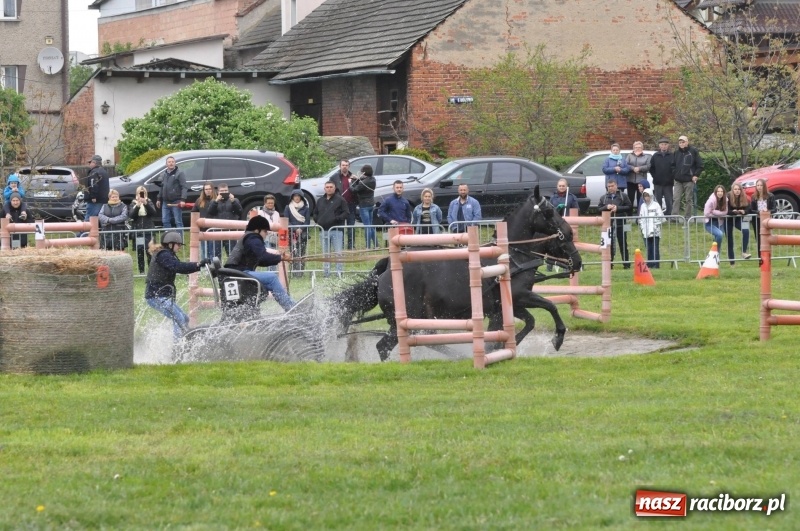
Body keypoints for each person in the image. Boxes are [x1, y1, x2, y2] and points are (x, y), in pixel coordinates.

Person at [224, 215, 296, 311]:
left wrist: (280, 258)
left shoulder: (248, 238)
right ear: (257, 230)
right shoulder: (253, 238)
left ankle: (290, 305)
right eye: (265, 231)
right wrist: (280, 257)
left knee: (269, 281)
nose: (266, 234)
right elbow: (263, 256)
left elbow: (260, 260)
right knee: (272, 278)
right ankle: (291, 308)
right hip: (239, 273)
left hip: (237, 273)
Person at [145, 231, 208, 339]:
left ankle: (187, 340)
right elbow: (177, 267)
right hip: (156, 296)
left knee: (185, 318)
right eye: (178, 244)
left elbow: (179, 267)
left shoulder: (166, 254)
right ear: (170, 244)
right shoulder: (163, 255)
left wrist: (196, 266)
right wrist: (197, 265)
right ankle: (178, 346)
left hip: (160, 296)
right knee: (179, 318)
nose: (179, 247)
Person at [313, 181, 349, 278]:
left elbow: (346, 213)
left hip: (336, 230)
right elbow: (315, 212)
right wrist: (318, 220)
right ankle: (326, 273)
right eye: (327, 187)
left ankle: (339, 273)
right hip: (323, 230)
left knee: (338, 253)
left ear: (334, 188)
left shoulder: (341, 200)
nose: (329, 189)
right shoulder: (320, 200)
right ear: (324, 189)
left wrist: (336, 219)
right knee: (325, 253)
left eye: (331, 187)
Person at [598, 179, 633, 268]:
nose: (610, 188)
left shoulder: (623, 196)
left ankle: (626, 264)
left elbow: (629, 206)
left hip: (621, 223)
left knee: (623, 244)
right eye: (609, 186)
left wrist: (618, 208)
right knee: (609, 244)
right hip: (608, 225)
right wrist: (606, 207)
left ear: (616, 186)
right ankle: (609, 264)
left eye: (612, 186)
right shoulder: (604, 197)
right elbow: (599, 209)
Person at [207, 183, 243, 257]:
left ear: (228, 191)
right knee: (216, 255)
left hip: (231, 231)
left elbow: (240, 211)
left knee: (232, 255)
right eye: (222, 191)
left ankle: (232, 268)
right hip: (217, 232)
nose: (224, 192)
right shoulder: (213, 201)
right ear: (218, 192)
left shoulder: (235, 200)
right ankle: (216, 268)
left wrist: (233, 202)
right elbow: (210, 212)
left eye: (226, 190)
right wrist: (216, 202)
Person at [330, 159, 358, 250]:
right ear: (340, 166)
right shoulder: (334, 177)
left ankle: (351, 245)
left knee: (351, 226)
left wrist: (357, 180)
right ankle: (340, 246)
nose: (344, 166)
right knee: (340, 227)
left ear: (349, 166)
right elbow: (330, 189)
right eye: (343, 165)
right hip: (340, 206)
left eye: (346, 165)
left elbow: (358, 189)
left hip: (351, 205)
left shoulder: (353, 177)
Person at [673, 135, 703, 221]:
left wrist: (696, 175)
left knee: (688, 199)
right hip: (678, 180)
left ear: (687, 142)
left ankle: (687, 217)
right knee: (676, 199)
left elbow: (700, 165)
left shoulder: (693, 151)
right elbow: (672, 165)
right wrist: (675, 174)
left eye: (683, 142)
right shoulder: (676, 152)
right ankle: (675, 218)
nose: (681, 144)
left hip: (689, 180)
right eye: (680, 142)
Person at [128, 185, 157, 274]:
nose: (141, 195)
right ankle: (141, 271)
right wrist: (137, 206)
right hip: (139, 231)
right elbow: (132, 215)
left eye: (143, 193)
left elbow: (153, 213)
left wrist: (146, 203)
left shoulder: (149, 202)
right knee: (140, 252)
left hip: (148, 231)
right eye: (139, 193)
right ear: (137, 194)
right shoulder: (133, 203)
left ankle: (151, 270)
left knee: (150, 251)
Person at [350, 164, 377, 248]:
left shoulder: (364, 183)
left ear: (364, 172)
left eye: (362, 172)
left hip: (364, 205)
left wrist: (350, 182)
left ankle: (368, 246)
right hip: (371, 204)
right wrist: (357, 179)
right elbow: (362, 181)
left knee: (367, 226)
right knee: (370, 225)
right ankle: (376, 244)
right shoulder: (372, 179)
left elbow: (354, 190)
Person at [155, 156, 187, 229]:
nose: (171, 163)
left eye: (172, 162)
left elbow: (184, 187)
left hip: (176, 201)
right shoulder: (164, 174)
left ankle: (180, 239)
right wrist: (158, 198)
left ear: (175, 163)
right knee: (165, 221)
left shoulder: (180, 173)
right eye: (169, 162)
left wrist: (183, 199)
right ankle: (168, 238)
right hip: (165, 202)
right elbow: (161, 187)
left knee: (178, 221)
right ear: (166, 164)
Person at [284, 190, 309, 277]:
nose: (297, 197)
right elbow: (286, 221)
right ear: (292, 197)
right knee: (293, 253)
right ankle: (294, 272)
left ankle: (300, 273)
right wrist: (295, 229)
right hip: (292, 234)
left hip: (302, 234)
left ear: (301, 197)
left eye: (298, 196)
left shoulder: (305, 208)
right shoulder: (288, 207)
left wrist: (301, 229)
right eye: (295, 196)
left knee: (301, 253)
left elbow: (307, 221)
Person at [638, 188, 665, 268]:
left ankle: (656, 265)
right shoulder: (643, 206)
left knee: (655, 248)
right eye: (645, 196)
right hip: (646, 231)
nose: (646, 198)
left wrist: (655, 225)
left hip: (655, 231)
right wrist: (643, 228)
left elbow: (661, 217)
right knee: (648, 248)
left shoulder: (656, 205)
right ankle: (650, 264)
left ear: (651, 196)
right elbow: (641, 218)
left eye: (648, 196)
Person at [749, 178, 776, 254]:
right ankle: (760, 258)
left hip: (767, 221)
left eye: (761, 185)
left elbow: (774, 209)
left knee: (767, 238)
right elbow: (751, 209)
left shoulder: (770, 196)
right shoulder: (753, 196)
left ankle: (768, 256)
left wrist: (767, 211)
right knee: (758, 239)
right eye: (758, 185)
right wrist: (759, 212)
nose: (759, 187)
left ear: (764, 186)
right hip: (757, 220)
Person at [726, 183, 751, 266]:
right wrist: (734, 212)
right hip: (728, 220)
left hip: (738, 220)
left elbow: (748, 208)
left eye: (738, 189)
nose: (737, 191)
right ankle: (732, 263)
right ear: (732, 190)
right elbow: (726, 210)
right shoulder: (728, 197)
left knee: (746, 230)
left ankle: (744, 252)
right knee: (730, 241)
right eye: (735, 189)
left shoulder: (743, 197)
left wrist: (744, 211)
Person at [191, 181, 218, 260]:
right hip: (203, 230)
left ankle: (213, 268)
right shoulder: (199, 201)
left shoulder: (217, 200)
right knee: (204, 252)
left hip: (213, 230)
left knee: (213, 252)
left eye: (209, 189)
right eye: (206, 189)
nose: (208, 190)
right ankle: (205, 268)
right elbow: (193, 213)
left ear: (212, 190)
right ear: (203, 190)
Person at [650, 137, 675, 216]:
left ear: (668, 146)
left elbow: (674, 168)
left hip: (668, 182)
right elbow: (651, 168)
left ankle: (668, 215)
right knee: (658, 200)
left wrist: (671, 177)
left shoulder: (672, 155)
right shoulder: (655, 156)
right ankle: (659, 215)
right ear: (659, 146)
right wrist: (655, 176)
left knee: (669, 200)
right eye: (662, 144)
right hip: (658, 182)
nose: (663, 146)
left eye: (665, 144)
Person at [625, 141, 651, 208]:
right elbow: (625, 165)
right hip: (630, 181)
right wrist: (633, 168)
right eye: (636, 147)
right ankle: (629, 216)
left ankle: (640, 215)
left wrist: (639, 168)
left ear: (642, 148)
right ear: (633, 148)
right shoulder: (629, 156)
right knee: (630, 199)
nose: (637, 149)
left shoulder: (646, 157)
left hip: (641, 181)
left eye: (639, 147)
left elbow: (648, 166)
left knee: (641, 199)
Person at [85, 155, 109, 222]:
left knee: (89, 218)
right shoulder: (104, 172)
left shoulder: (94, 172)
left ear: (94, 162)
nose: (89, 164)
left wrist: (93, 196)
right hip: (103, 199)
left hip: (95, 201)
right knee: (98, 219)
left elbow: (93, 184)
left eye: (90, 162)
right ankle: (95, 232)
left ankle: (84, 232)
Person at [703, 184, 728, 250]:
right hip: (710, 223)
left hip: (720, 221)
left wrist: (714, 212)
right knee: (719, 234)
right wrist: (718, 214)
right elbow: (706, 213)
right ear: (715, 192)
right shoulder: (710, 201)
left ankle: (715, 256)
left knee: (718, 239)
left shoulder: (725, 200)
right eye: (718, 191)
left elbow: (725, 212)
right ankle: (714, 254)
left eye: (721, 191)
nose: (720, 193)